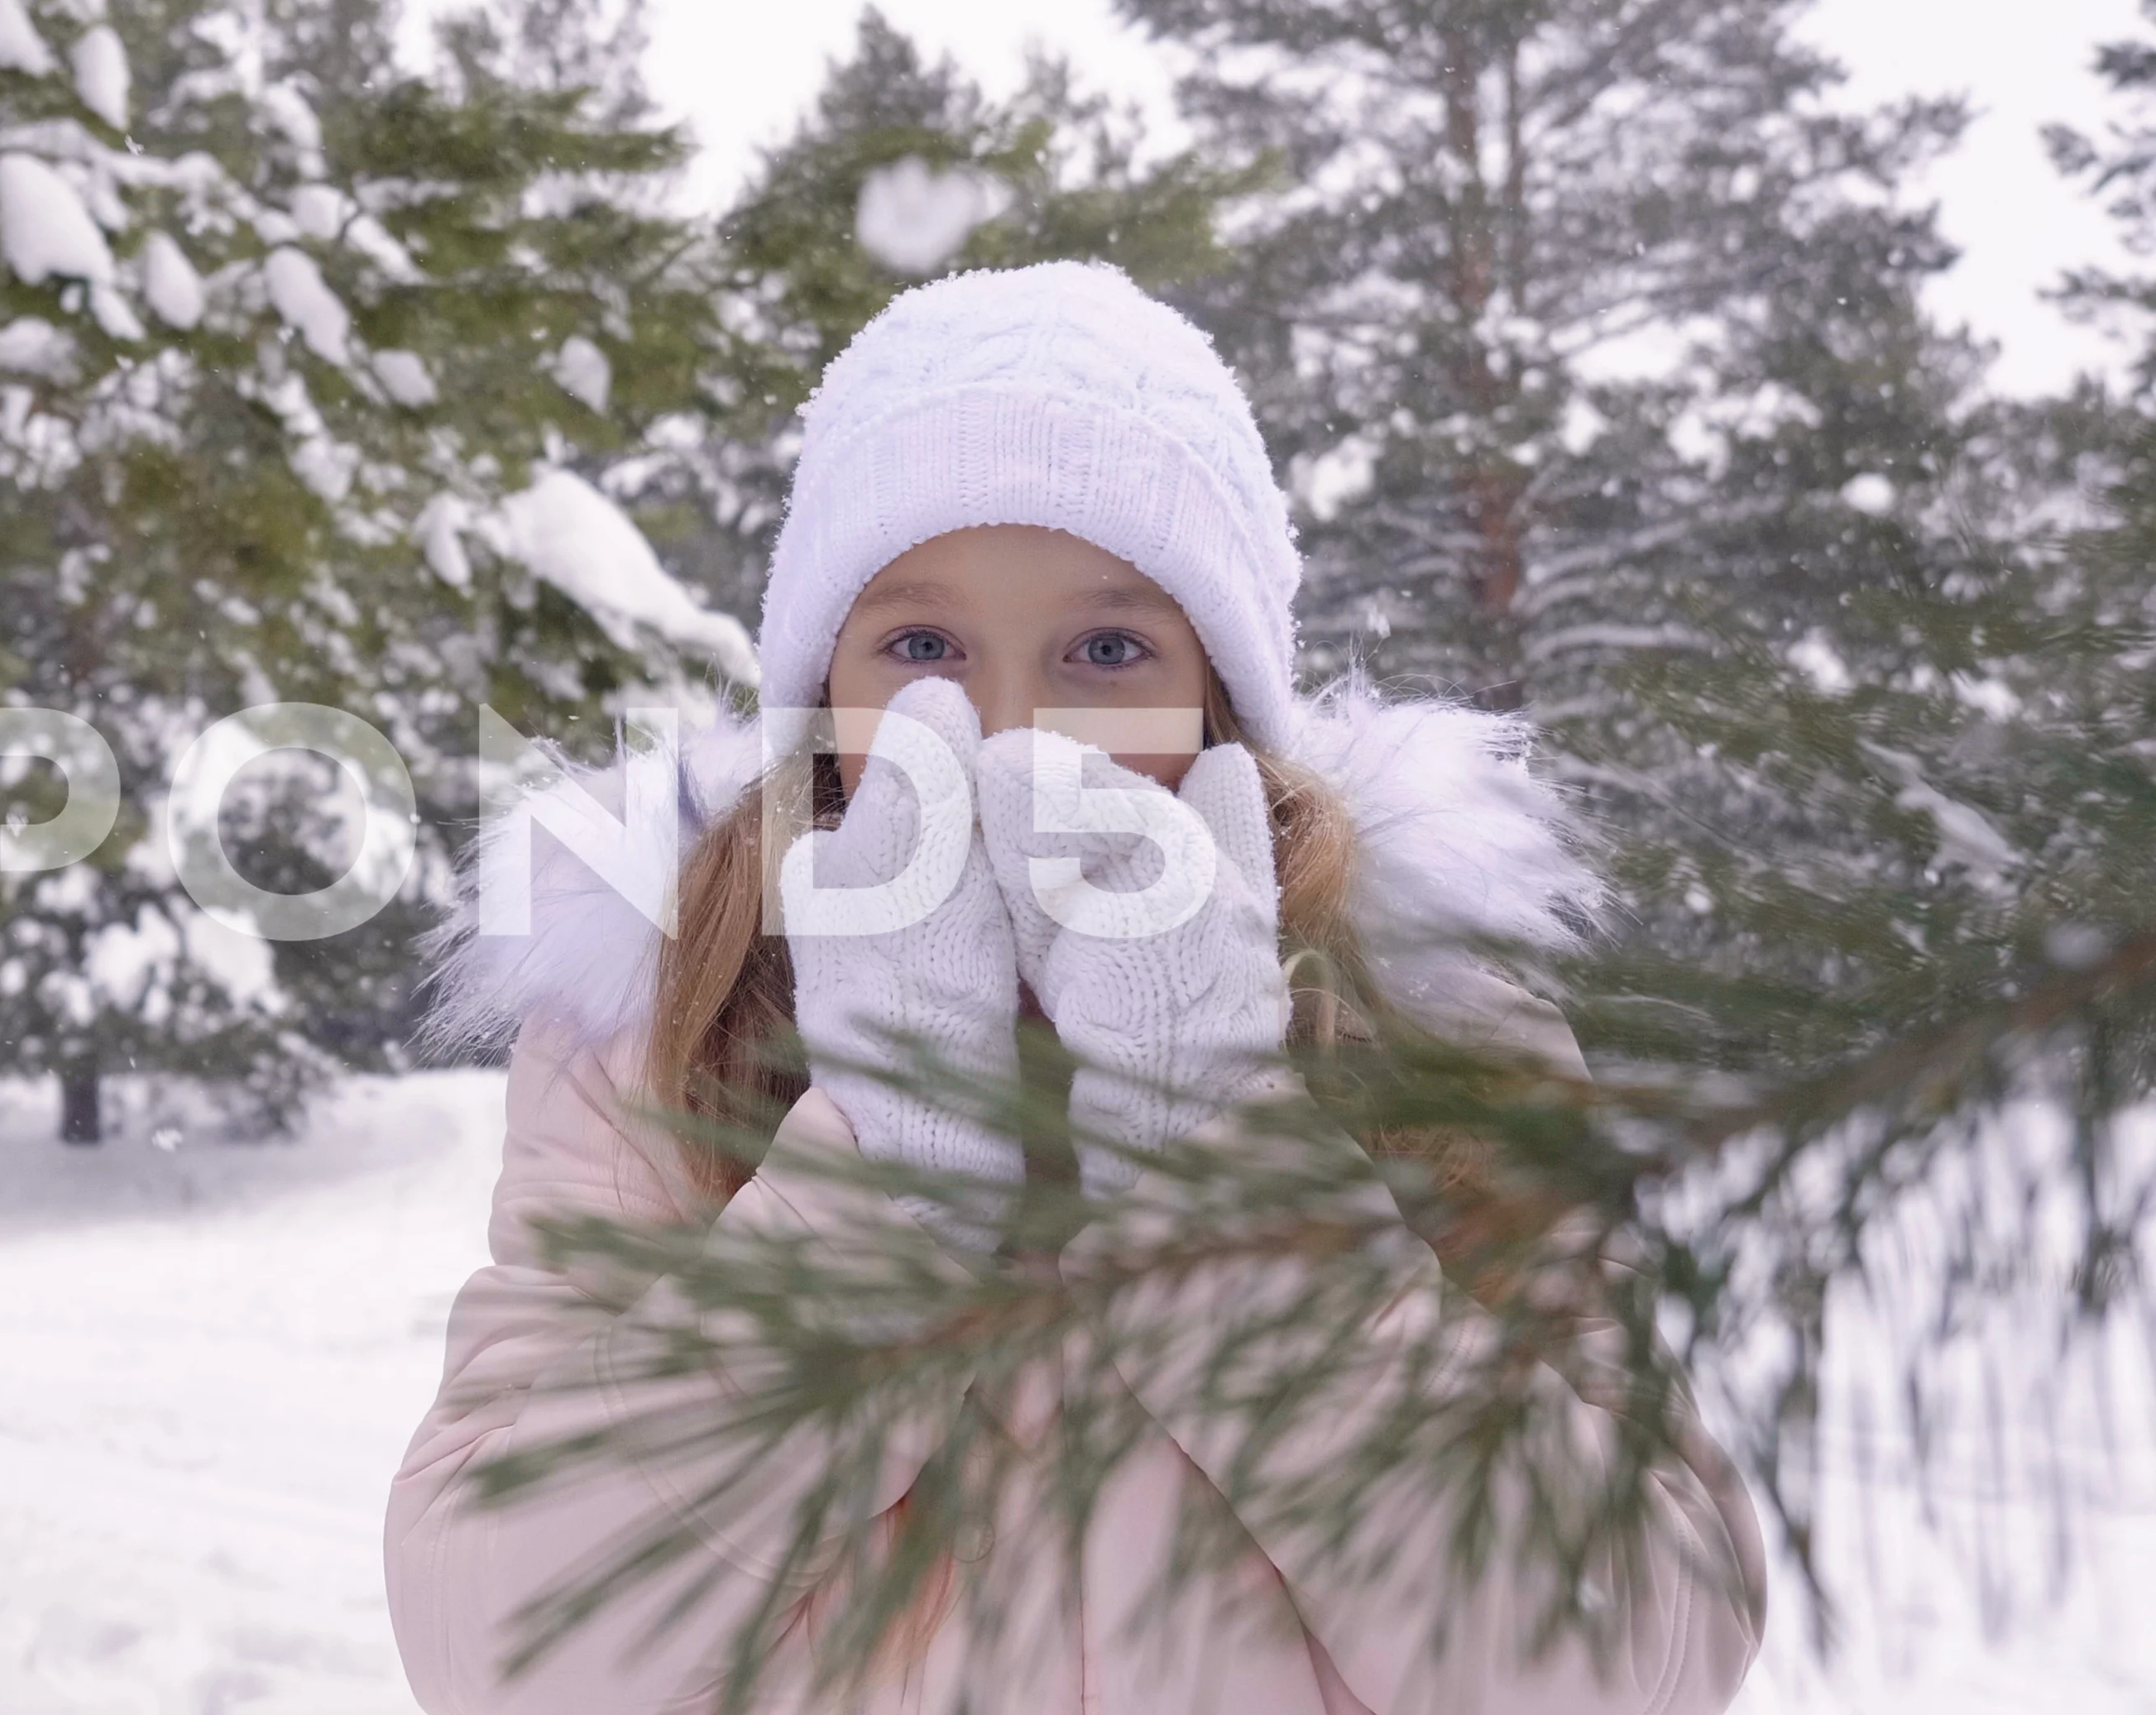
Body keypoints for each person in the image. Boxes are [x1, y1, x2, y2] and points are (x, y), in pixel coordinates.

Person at [383, 261, 1766, 1714]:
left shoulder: (1432, 1034)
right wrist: (881, 1176)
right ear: (826, 694)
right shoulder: (664, 1028)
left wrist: (1221, 1161)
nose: (1013, 729)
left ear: (1221, 698)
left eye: (1108, 650)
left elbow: (1631, 1661)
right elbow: (505, 1651)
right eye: (923, 647)